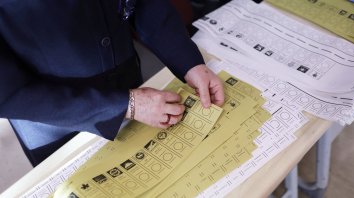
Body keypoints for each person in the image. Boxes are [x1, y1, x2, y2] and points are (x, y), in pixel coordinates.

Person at [0, 0, 224, 167]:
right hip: (59, 121)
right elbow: (7, 95)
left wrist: (188, 63)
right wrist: (125, 105)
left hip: (131, 81)